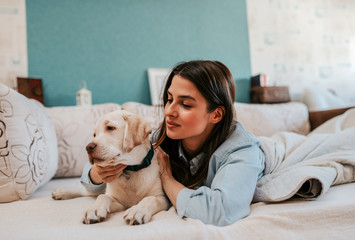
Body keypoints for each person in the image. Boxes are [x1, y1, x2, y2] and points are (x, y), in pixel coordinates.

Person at [80, 60, 265, 226]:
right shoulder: (162, 138)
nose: (169, 111)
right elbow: (88, 181)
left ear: (216, 114)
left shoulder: (242, 150)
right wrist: (98, 173)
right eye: (170, 99)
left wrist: (167, 178)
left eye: (185, 104)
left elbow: (222, 211)